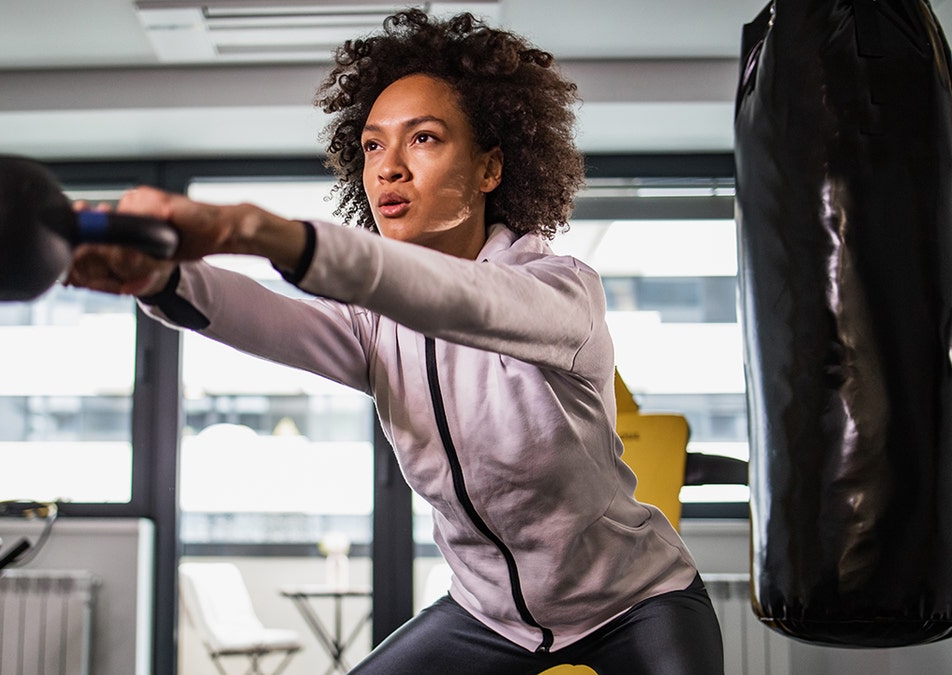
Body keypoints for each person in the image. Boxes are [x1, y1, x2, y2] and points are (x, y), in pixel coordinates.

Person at [67, 9, 724, 674]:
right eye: (374, 146)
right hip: (486, 615)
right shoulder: (372, 323)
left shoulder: (559, 292)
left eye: (425, 139)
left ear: (490, 169)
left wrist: (253, 228)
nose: (390, 169)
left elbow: (462, 299)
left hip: (636, 602)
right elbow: (266, 319)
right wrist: (157, 276)